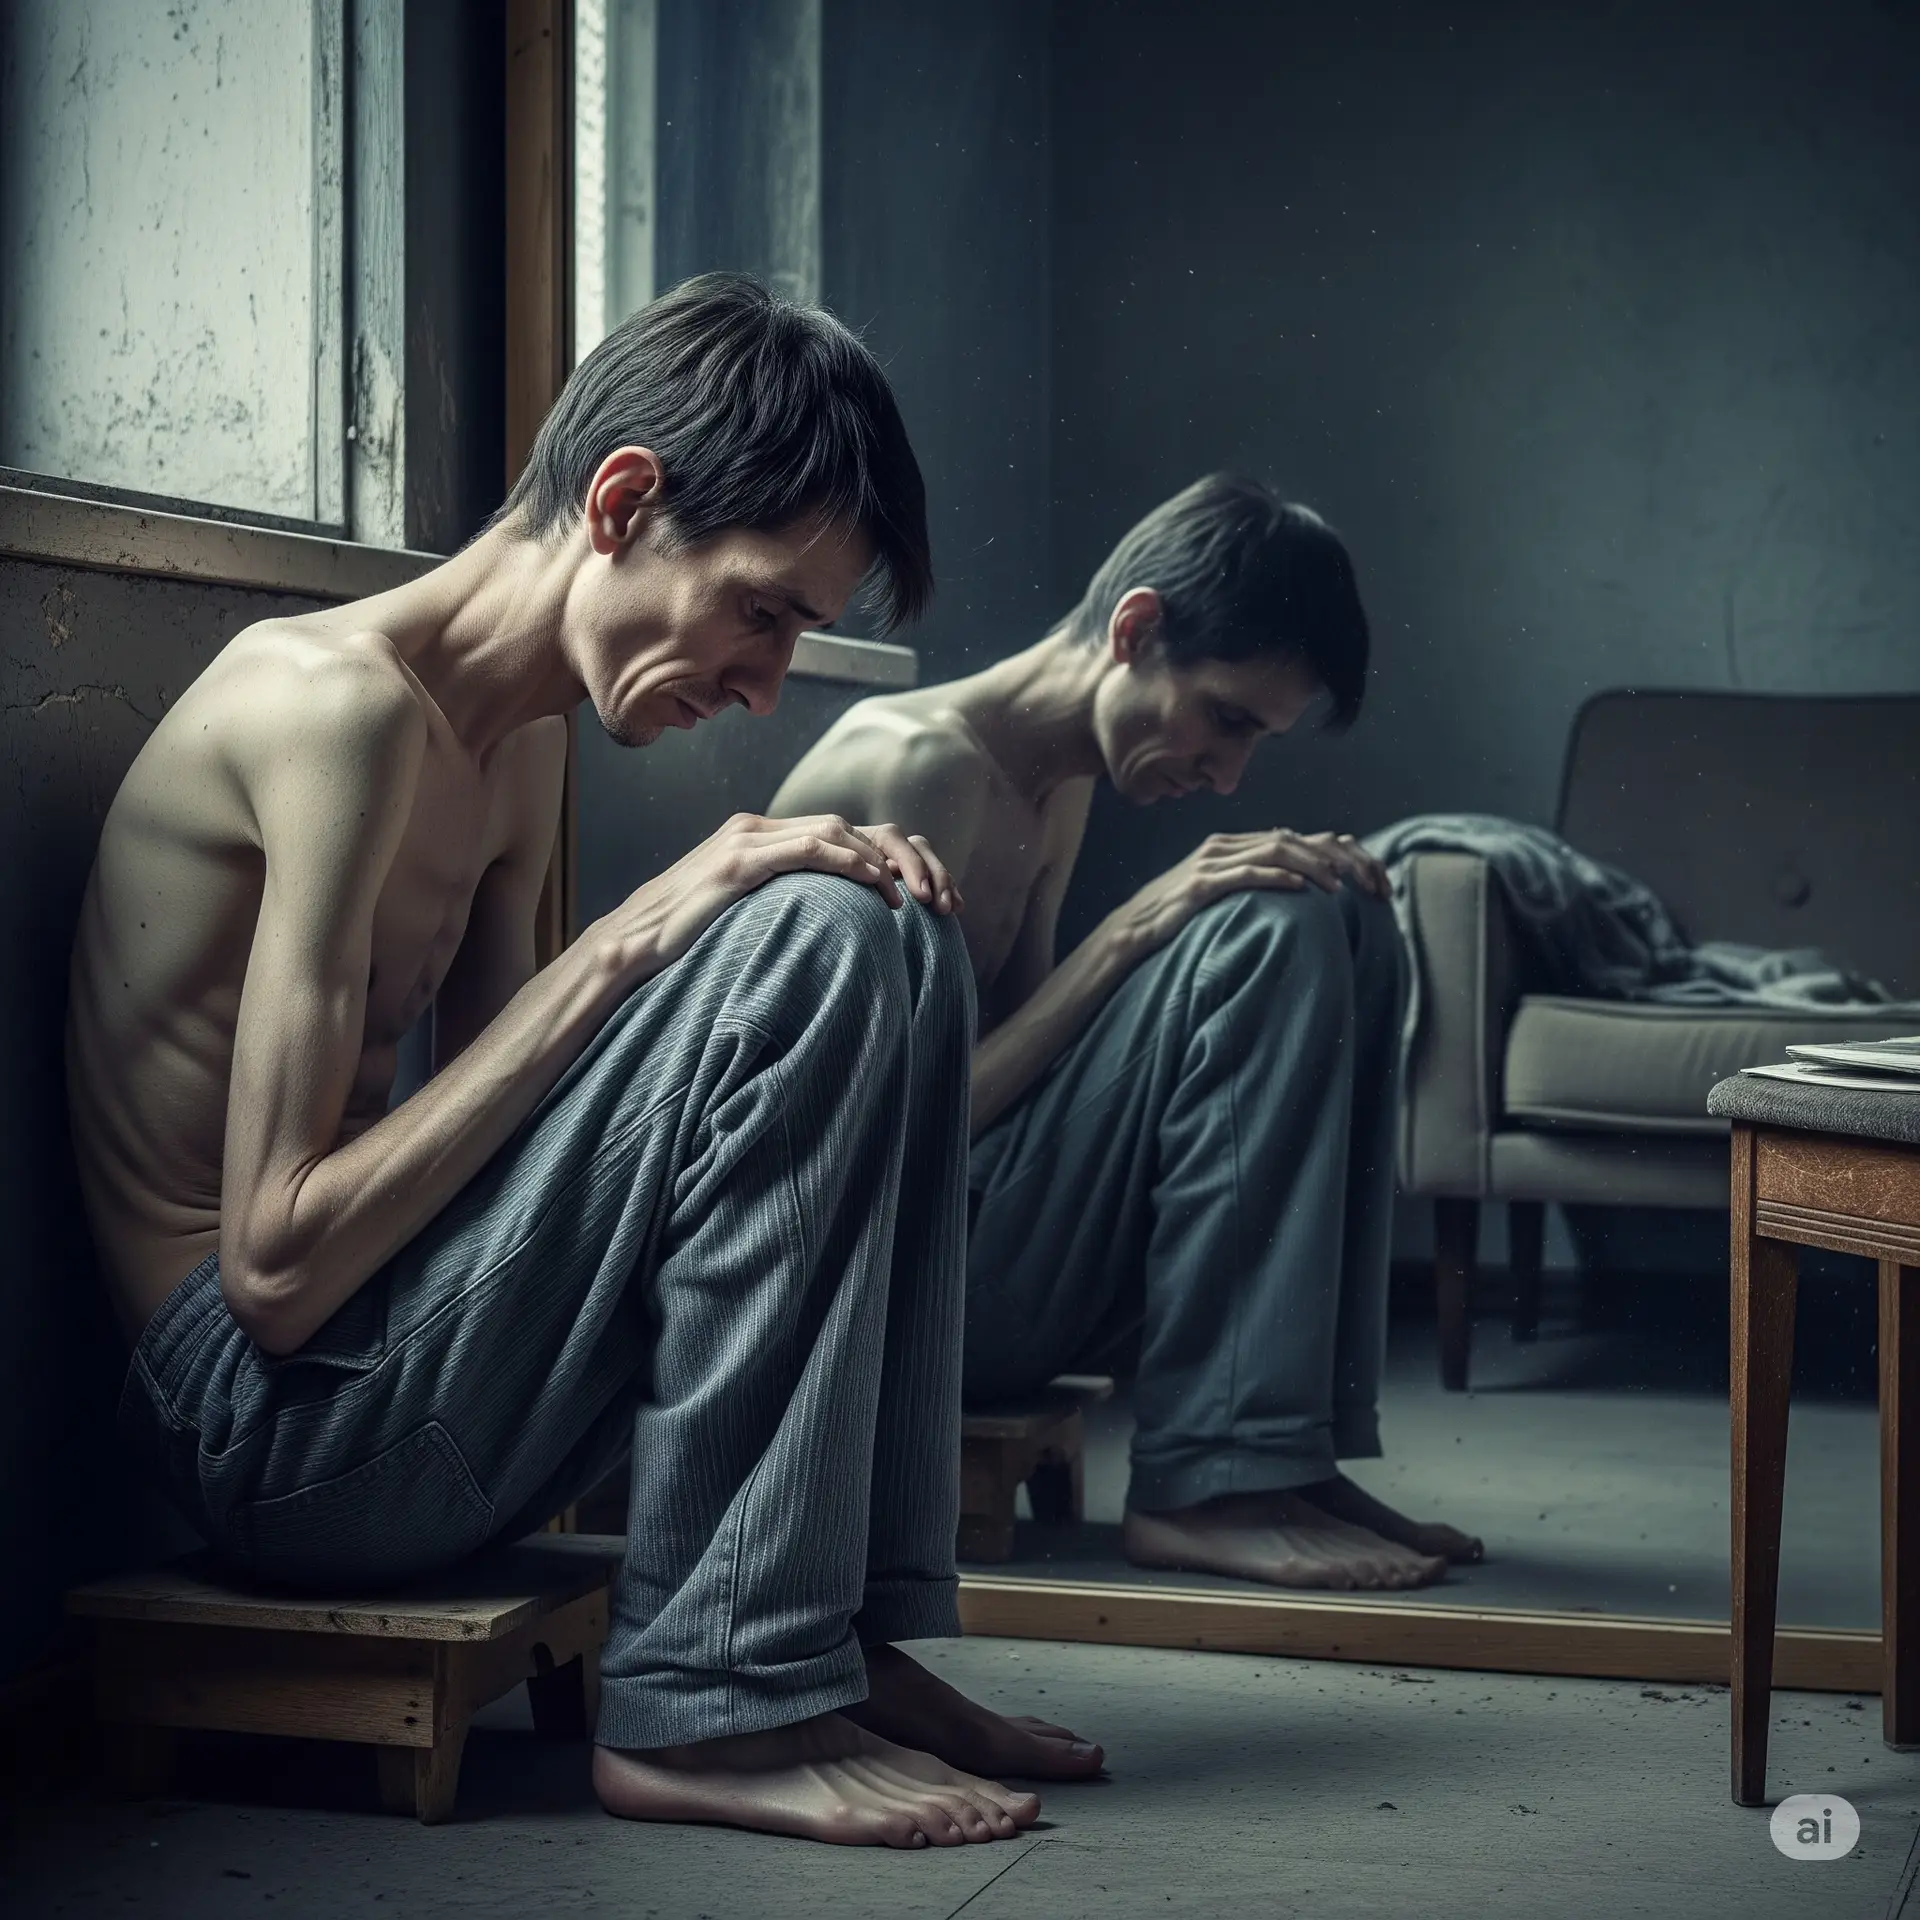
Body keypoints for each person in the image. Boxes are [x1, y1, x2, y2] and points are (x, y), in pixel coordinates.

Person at [68, 273, 1102, 1850]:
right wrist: (635, 936)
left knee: (888, 925)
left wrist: (680, 948)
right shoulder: (331, 709)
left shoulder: (523, 740)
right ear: (623, 501)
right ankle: (710, 1701)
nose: (765, 682)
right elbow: (272, 1268)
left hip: (402, 1361)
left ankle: (832, 1644)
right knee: (813, 925)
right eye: (761, 609)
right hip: (264, 1433)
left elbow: (516, 1163)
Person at [772, 474, 1481, 1592]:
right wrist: (1134, 934)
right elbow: (884, 1140)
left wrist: (1147, 947)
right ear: (1135, 630)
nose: (1226, 774)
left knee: (1342, 902)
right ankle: (1213, 1480)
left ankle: (1280, 1455)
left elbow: (1027, 1087)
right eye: (1225, 720)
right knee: (1263, 927)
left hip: (980, 1247)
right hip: (874, 1295)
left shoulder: (1052, 780)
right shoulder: (922, 765)